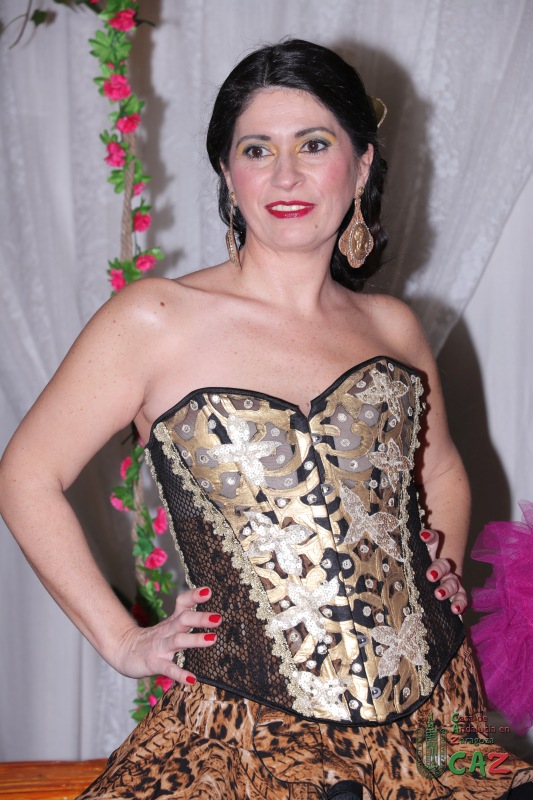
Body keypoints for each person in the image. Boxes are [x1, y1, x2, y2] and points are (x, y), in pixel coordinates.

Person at [0, 39, 531, 800]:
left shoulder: (393, 328)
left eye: (313, 144)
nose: (285, 175)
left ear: (361, 165)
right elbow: (27, 474)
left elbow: (440, 467)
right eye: (257, 149)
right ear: (228, 173)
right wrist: (121, 640)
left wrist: (438, 558)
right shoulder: (155, 319)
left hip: (432, 730)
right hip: (246, 743)